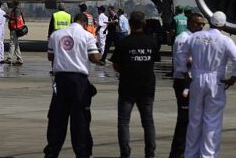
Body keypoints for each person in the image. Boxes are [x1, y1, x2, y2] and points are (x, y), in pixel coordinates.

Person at [178, 11, 236, 158]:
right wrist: (233, 78)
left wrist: (183, 73)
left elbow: (181, 54)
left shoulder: (195, 37)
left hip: (197, 78)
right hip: (215, 80)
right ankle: (208, 155)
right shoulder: (225, 41)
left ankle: (191, 154)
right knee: (212, 120)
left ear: (209, 22)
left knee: (194, 119)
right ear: (224, 25)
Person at [44, 13, 101, 158]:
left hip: (61, 80)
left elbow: (50, 56)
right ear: (84, 23)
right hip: (79, 81)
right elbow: (95, 58)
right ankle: (82, 153)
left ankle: (52, 152)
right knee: (80, 120)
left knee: (57, 119)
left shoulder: (56, 35)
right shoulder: (87, 36)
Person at [109, 11, 160, 158]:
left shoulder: (124, 42)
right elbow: (154, 60)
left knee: (124, 122)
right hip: (147, 88)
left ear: (130, 24)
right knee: (148, 122)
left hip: (127, 87)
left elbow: (116, 65)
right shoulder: (151, 42)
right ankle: (150, 153)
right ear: (144, 24)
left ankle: (125, 153)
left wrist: (127, 71)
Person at [168, 12, 206, 158]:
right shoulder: (184, 38)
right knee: (184, 119)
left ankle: (184, 151)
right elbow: (181, 62)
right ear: (190, 23)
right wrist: (188, 80)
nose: (201, 26)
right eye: (198, 24)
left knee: (191, 119)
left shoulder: (194, 38)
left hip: (190, 81)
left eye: (203, 24)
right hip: (184, 81)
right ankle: (177, 153)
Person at [7, 1, 25, 65]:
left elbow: (16, 19)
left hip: (15, 29)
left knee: (12, 44)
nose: (10, 4)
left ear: (14, 4)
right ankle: (19, 59)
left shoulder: (16, 10)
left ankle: (9, 58)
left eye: (11, 3)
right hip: (14, 29)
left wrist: (9, 17)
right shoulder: (15, 10)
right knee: (16, 45)